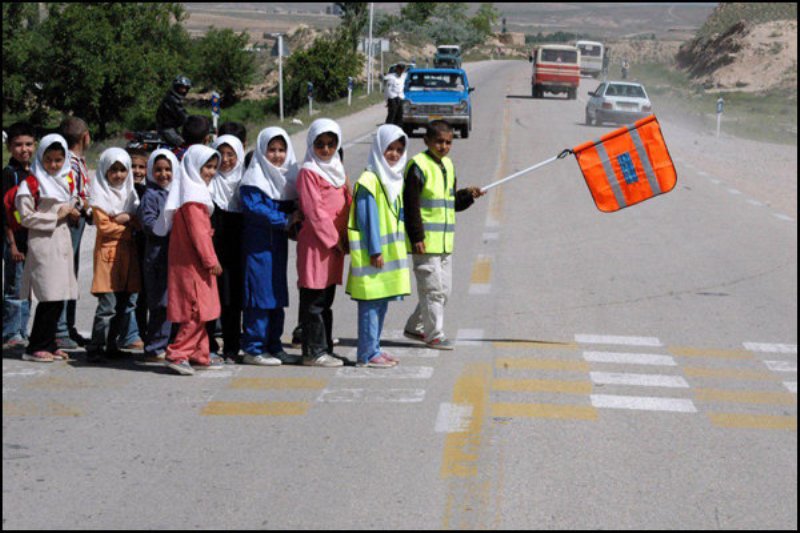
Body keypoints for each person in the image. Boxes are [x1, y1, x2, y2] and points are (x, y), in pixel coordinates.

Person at [403, 120, 484, 350]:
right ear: (426, 141)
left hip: (445, 243)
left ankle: (414, 327)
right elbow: (411, 206)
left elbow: (451, 204)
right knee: (433, 291)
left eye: (448, 142)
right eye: (439, 141)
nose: (444, 146)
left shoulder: (448, 166)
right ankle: (434, 335)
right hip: (425, 243)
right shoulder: (417, 166)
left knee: (443, 292)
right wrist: (417, 237)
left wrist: (468, 195)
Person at [154, 145, 223, 375]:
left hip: (193, 263)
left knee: (203, 311)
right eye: (207, 167)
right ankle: (178, 352)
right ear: (194, 167)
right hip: (194, 264)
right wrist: (211, 260)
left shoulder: (193, 193)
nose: (211, 172)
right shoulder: (192, 200)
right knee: (196, 311)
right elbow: (200, 235)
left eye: (214, 167)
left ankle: (199, 354)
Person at [346, 124, 411, 368]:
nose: (394, 154)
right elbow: (367, 219)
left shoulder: (395, 179)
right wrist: (375, 249)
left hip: (388, 255)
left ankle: (374, 348)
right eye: (389, 149)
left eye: (398, 149)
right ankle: (366, 354)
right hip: (374, 255)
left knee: (381, 303)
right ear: (378, 149)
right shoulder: (369, 180)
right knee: (370, 305)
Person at [239, 127, 303, 366]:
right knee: (259, 297)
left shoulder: (284, 178)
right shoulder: (253, 180)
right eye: (272, 150)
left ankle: (274, 345)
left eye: (281, 149)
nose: (277, 155)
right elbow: (256, 210)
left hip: (277, 247)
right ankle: (254, 348)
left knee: (277, 295)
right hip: (258, 248)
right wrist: (285, 220)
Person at [15, 134, 81, 362]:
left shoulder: (66, 180)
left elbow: (73, 200)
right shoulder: (30, 184)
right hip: (44, 244)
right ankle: (36, 346)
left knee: (59, 296)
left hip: (62, 243)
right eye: (49, 160)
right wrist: (55, 215)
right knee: (48, 297)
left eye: (58, 160)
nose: (53, 165)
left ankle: (50, 343)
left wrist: (73, 211)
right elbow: (25, 217)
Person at [296, 119, 352, 367]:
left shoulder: (337, 169)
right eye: (320, 145)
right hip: (318, 245)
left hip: (335, 246)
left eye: (331, 144)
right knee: (314, 299)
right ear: (312, 145)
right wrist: (334, 240)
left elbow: (347, 201)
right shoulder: (309, 172)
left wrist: (348, 236)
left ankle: (325, 347)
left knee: (326, 299)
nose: (326, 150)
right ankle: (313, 352)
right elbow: (314, 210)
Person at [85, 149, 141, 364]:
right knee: (107, 305)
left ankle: (112, 345)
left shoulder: (131, 195)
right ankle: (96, 346)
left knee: (122, 304)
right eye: (113, 170)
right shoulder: (99, 196)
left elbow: (138, 220)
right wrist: (128, 226)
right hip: (108, 256)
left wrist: (126, 218)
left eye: (122, 170)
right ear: (104, 171)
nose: (118, 175)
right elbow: (104, 226)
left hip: (127, 257)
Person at [135, 149, 179, 364]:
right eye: (158, 170)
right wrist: (170, 226)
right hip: (157, 257)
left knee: (173, 302)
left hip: (175, 257)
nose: (164, 174)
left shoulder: (177, 192)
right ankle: (154, 347)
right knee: (160, 304)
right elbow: (149, 224)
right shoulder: (150, 196)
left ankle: (168, 342)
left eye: (168, 169)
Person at [206, 134, 246, 364]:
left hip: (237, 248)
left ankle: (232, 346)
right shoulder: (209, 180)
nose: (226, 160)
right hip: (214, 247)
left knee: (233, 299)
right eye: (221, 154)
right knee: (213, 296)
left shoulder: (245, 179)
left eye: (231, 154)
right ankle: (209, 343)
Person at [54, 117, 93, 350]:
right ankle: (59, 329)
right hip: (69, 221)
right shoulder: (67, 162)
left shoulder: (76, 161)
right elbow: (66, 191)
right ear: (85, 136)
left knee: (72, 276)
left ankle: (68, 327)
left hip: (77, 221)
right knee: (64, 276)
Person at [2, 122, 35, 349]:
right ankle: (10, 333)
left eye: (29, 144)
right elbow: (4, 213)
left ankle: (23, 330)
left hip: (30, 239)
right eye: (18, 145)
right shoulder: (9, 175)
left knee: (27, 289)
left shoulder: (33, 172)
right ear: (9, 147)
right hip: (15, 241)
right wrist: (12, 245)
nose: (24, 149)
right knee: (14, 288)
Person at [126, 147, 149, 348]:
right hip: (123, 248)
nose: (137, 171)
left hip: (142, 247)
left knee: (141, 294)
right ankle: (128, 333)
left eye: (142, 167)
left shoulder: (146, 190)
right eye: (132, 166)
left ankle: (140, 330)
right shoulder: (120, 190)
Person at [156, 75, 191, 148]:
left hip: (171, 128)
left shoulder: (171, 98)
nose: (184, 91)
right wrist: (194, 122)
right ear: (176, 87)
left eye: (185, 88)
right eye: (182, 88)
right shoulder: (172, 100)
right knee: (185, 146)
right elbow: (183, 115)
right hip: (167, 129)